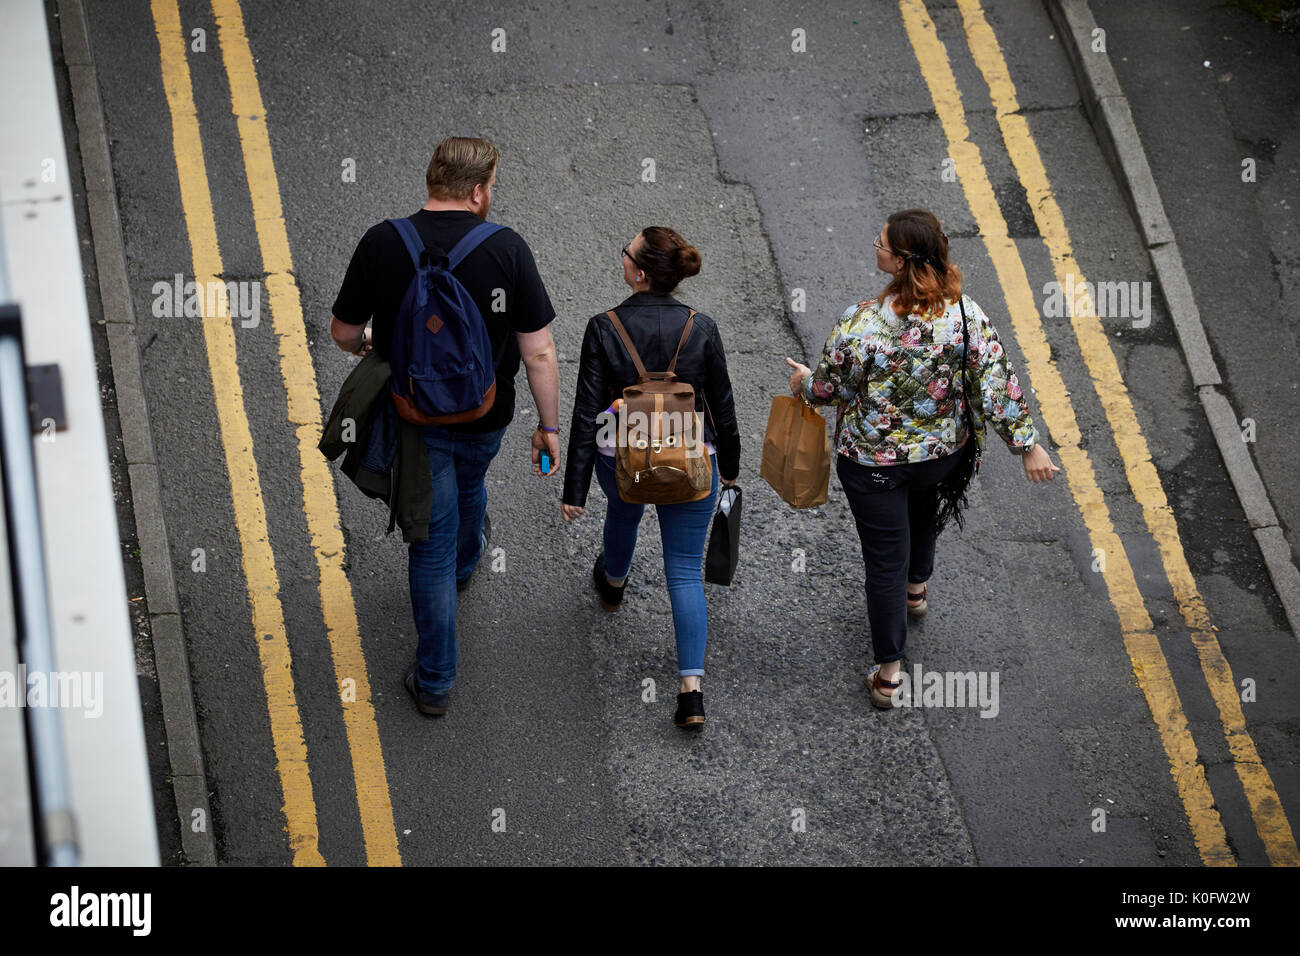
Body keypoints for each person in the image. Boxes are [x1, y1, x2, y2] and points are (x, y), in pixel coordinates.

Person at [784, 208, 1059, 709]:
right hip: (940, 456)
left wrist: (803, 381)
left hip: (873, 465)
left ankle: (889, 673)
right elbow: (995, 384)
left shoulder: (862, 322)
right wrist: (1028, 445)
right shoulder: (963, 314)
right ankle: (917, 591)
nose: (875, 246)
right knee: (924, 513)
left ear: (900, 260)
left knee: (882, 558)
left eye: (881, 242)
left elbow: (830, 387)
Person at [330, 136, 560, 717]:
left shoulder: (385, 241)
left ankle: (435, 681)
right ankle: (467, 561)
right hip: (487, 412)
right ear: (479, 190)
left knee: (425, 540)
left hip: (414, 415)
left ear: (431, 180)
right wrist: (548, 426)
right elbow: (538, 353)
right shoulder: (507, 249)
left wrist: (372, 346)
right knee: (472, 476)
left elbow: (342, 332)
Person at [562, 227, 741, 731]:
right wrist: (729, 463)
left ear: (639, 272)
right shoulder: (700, 327)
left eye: (626, 251)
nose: (621, 255)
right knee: (684, 571)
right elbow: (721, 405)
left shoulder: (605, 327)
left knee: (623, 512)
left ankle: (614, 583)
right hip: (689, 460)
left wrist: (574, 490)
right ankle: (691, 694)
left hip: (622, 456)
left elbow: (585, 413)